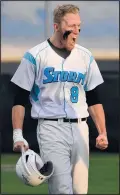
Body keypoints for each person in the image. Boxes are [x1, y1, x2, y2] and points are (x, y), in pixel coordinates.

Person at [11, 4, 108, 194]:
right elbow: (19, 98)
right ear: (56, 27)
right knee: (61, 189)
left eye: (79, 26)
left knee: (80, 190)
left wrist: (102, 132)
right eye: (71, 26)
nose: (76, 31)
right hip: (51, 128)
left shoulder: (85, 56)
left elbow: (93, 97)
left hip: (81, 128)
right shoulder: (35, 56)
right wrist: (17, 134)